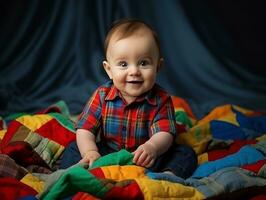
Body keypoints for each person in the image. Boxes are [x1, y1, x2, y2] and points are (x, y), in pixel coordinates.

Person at [60, 18, 197, 179]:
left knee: (185, 153)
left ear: (158, 67)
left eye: (143, 63)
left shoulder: (161, 99)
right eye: (123, 64)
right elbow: (85, 129)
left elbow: (165, 132)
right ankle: (76, 174)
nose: (134, 71)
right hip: (107, 155)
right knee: (73, 147)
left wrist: (152, 147)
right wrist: (90, 151)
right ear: (109, 70)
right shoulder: (102, 95)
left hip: (145, 157)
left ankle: (166, 176)